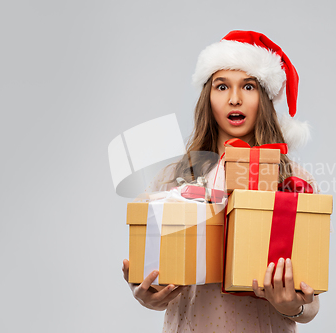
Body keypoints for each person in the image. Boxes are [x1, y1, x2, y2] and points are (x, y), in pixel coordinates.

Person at [122, 30, 321, 332]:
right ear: (208, 97)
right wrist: (146, 295)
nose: (235, 99)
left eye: (249, 86)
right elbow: (156, 277)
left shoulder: (295, 182)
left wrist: (296, 306)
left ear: (264, 98)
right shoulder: (173, 179)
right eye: (222, 86)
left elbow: (312, 298)